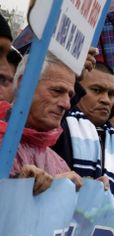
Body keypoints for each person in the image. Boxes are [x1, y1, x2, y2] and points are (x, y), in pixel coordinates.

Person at [0, 53, 83, 194]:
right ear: (24, 83)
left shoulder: (60, 164)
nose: (67, 104)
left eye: (70, 95)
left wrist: (91, 194)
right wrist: (17, 186)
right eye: (57, 91)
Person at [51, 62, 114, 199]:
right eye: (97, 90)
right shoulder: (58, 124)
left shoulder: (111, 141)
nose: (106, 100)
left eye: (111, 94)